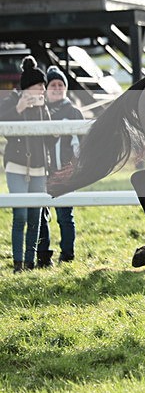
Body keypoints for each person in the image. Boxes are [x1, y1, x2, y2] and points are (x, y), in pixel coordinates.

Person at [0, 56, 50, 272]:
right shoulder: (11, 102)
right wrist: (19, 109)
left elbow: (51, 137)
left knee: (35, 216)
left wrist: (44, 111)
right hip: (16, 166)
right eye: (39, 86)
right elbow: (3, 127)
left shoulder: (43, 106)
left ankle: (29, 262)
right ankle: (17, 262)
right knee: (20, 215)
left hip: (39, 167)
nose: (42, 90)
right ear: (28, 86)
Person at [37, 65, 83, 265]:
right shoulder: (39, 111)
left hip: (64, 172)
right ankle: (43, 255)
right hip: (42, 171)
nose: (56, 88)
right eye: (52, 84)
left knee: (65, 216)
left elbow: (83, 143)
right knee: (40, 216)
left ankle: (67, 254)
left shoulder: (73, 112)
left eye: (60, 84)